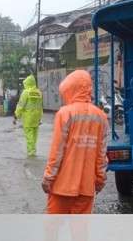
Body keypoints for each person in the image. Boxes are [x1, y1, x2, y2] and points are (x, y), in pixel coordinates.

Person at [42, 70, 109, 214]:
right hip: (86, 189)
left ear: (69, 89)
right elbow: (101, 155)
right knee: (80, 231)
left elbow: (57, 151)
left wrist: (48, 177)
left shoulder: (65, 113)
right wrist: (100, 180)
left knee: (52, 230)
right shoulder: (101, 117)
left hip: (61, 187)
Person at [14, 75, 43, 157]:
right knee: (34, 136)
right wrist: (40, 118)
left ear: (27, 83)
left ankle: (31, 153)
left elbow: (21, 105)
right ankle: (33, 151)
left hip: (28, 118)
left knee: (29, 136)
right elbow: (40, 106)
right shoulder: (39, 92)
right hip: (36, 118)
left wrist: (16, 115)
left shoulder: (25, 92)